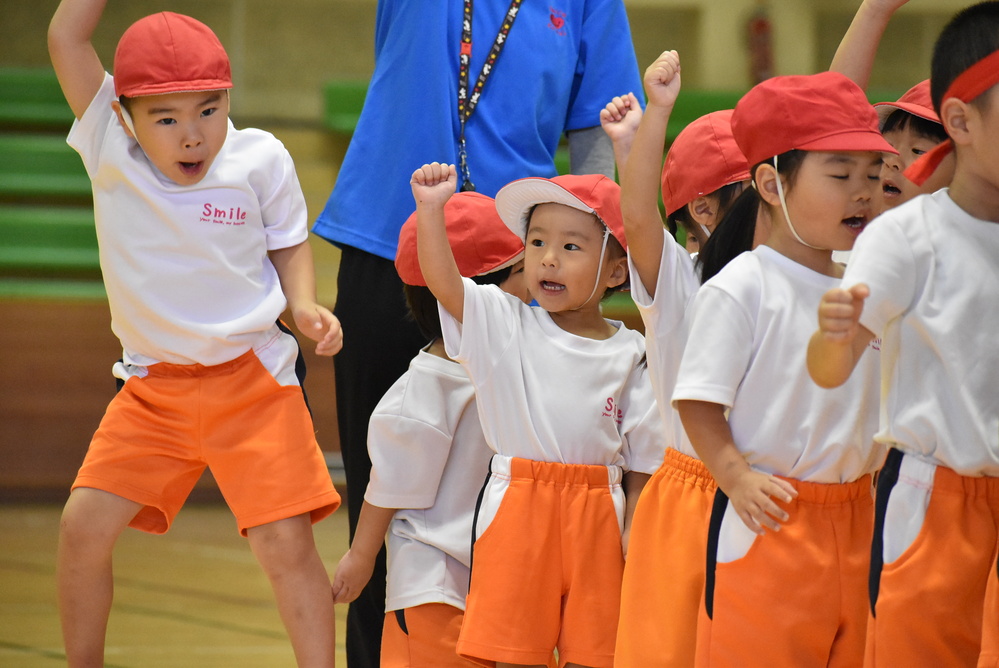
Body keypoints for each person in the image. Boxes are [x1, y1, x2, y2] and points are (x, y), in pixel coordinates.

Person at [310, 4, 644, 662]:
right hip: (387, 241)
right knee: (388, 486)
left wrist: (587, 272)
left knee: (504, 496)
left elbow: (597, 147)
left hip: (516, 265)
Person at [47, 3, 342, 666]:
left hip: (254, 384)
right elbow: (67, 34)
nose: (192, 136)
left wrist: (302, 306)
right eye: (167, 117)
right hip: (153, 391)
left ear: (228, 100)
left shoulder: (260, 157)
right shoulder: (107, 145)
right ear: (123, 115)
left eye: (208, 111)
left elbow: (288, 242)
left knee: (283, 543)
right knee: (82, 528)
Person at [672, 71, 894, 667]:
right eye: (841, 175)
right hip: (770, 519)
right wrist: (736, 478)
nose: (863, 193)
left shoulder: (865, 283)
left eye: (873, 177)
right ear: (771, 183)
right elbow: (697, 401)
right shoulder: (744, 285)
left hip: (860, 517)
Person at [808, 3, 999, 665]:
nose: (901, 162)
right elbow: (830, 370)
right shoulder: (900, 239)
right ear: (961, 124)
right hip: (930, 496)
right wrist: (832, 334)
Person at [413, 163, 661, 668]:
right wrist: (430, 211)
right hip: (519, 505)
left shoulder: (634, 350)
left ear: (615, 271)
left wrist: (634, 526)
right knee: (514, 651)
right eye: (536, 243)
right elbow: (444, 282)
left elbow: (642, 456)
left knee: (597, 652)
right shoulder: (503, 323)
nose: (548, 259)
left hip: (600, 511)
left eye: (571, 247)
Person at [330, 191, 529, 667]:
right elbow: (388, 486)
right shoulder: (422, 390)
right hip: (436, 586)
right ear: (480, 293)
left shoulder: (512, 367)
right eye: (522, 272)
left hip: (493, 575)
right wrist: (361, 556)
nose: (538, 280)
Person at [611, 51, 752, 668]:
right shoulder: (680, 281)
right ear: (703, 210)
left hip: (765, 494)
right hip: (693, 497)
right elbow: (637, 215)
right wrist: (655, 118)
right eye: (755, 193)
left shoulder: (787, 277)